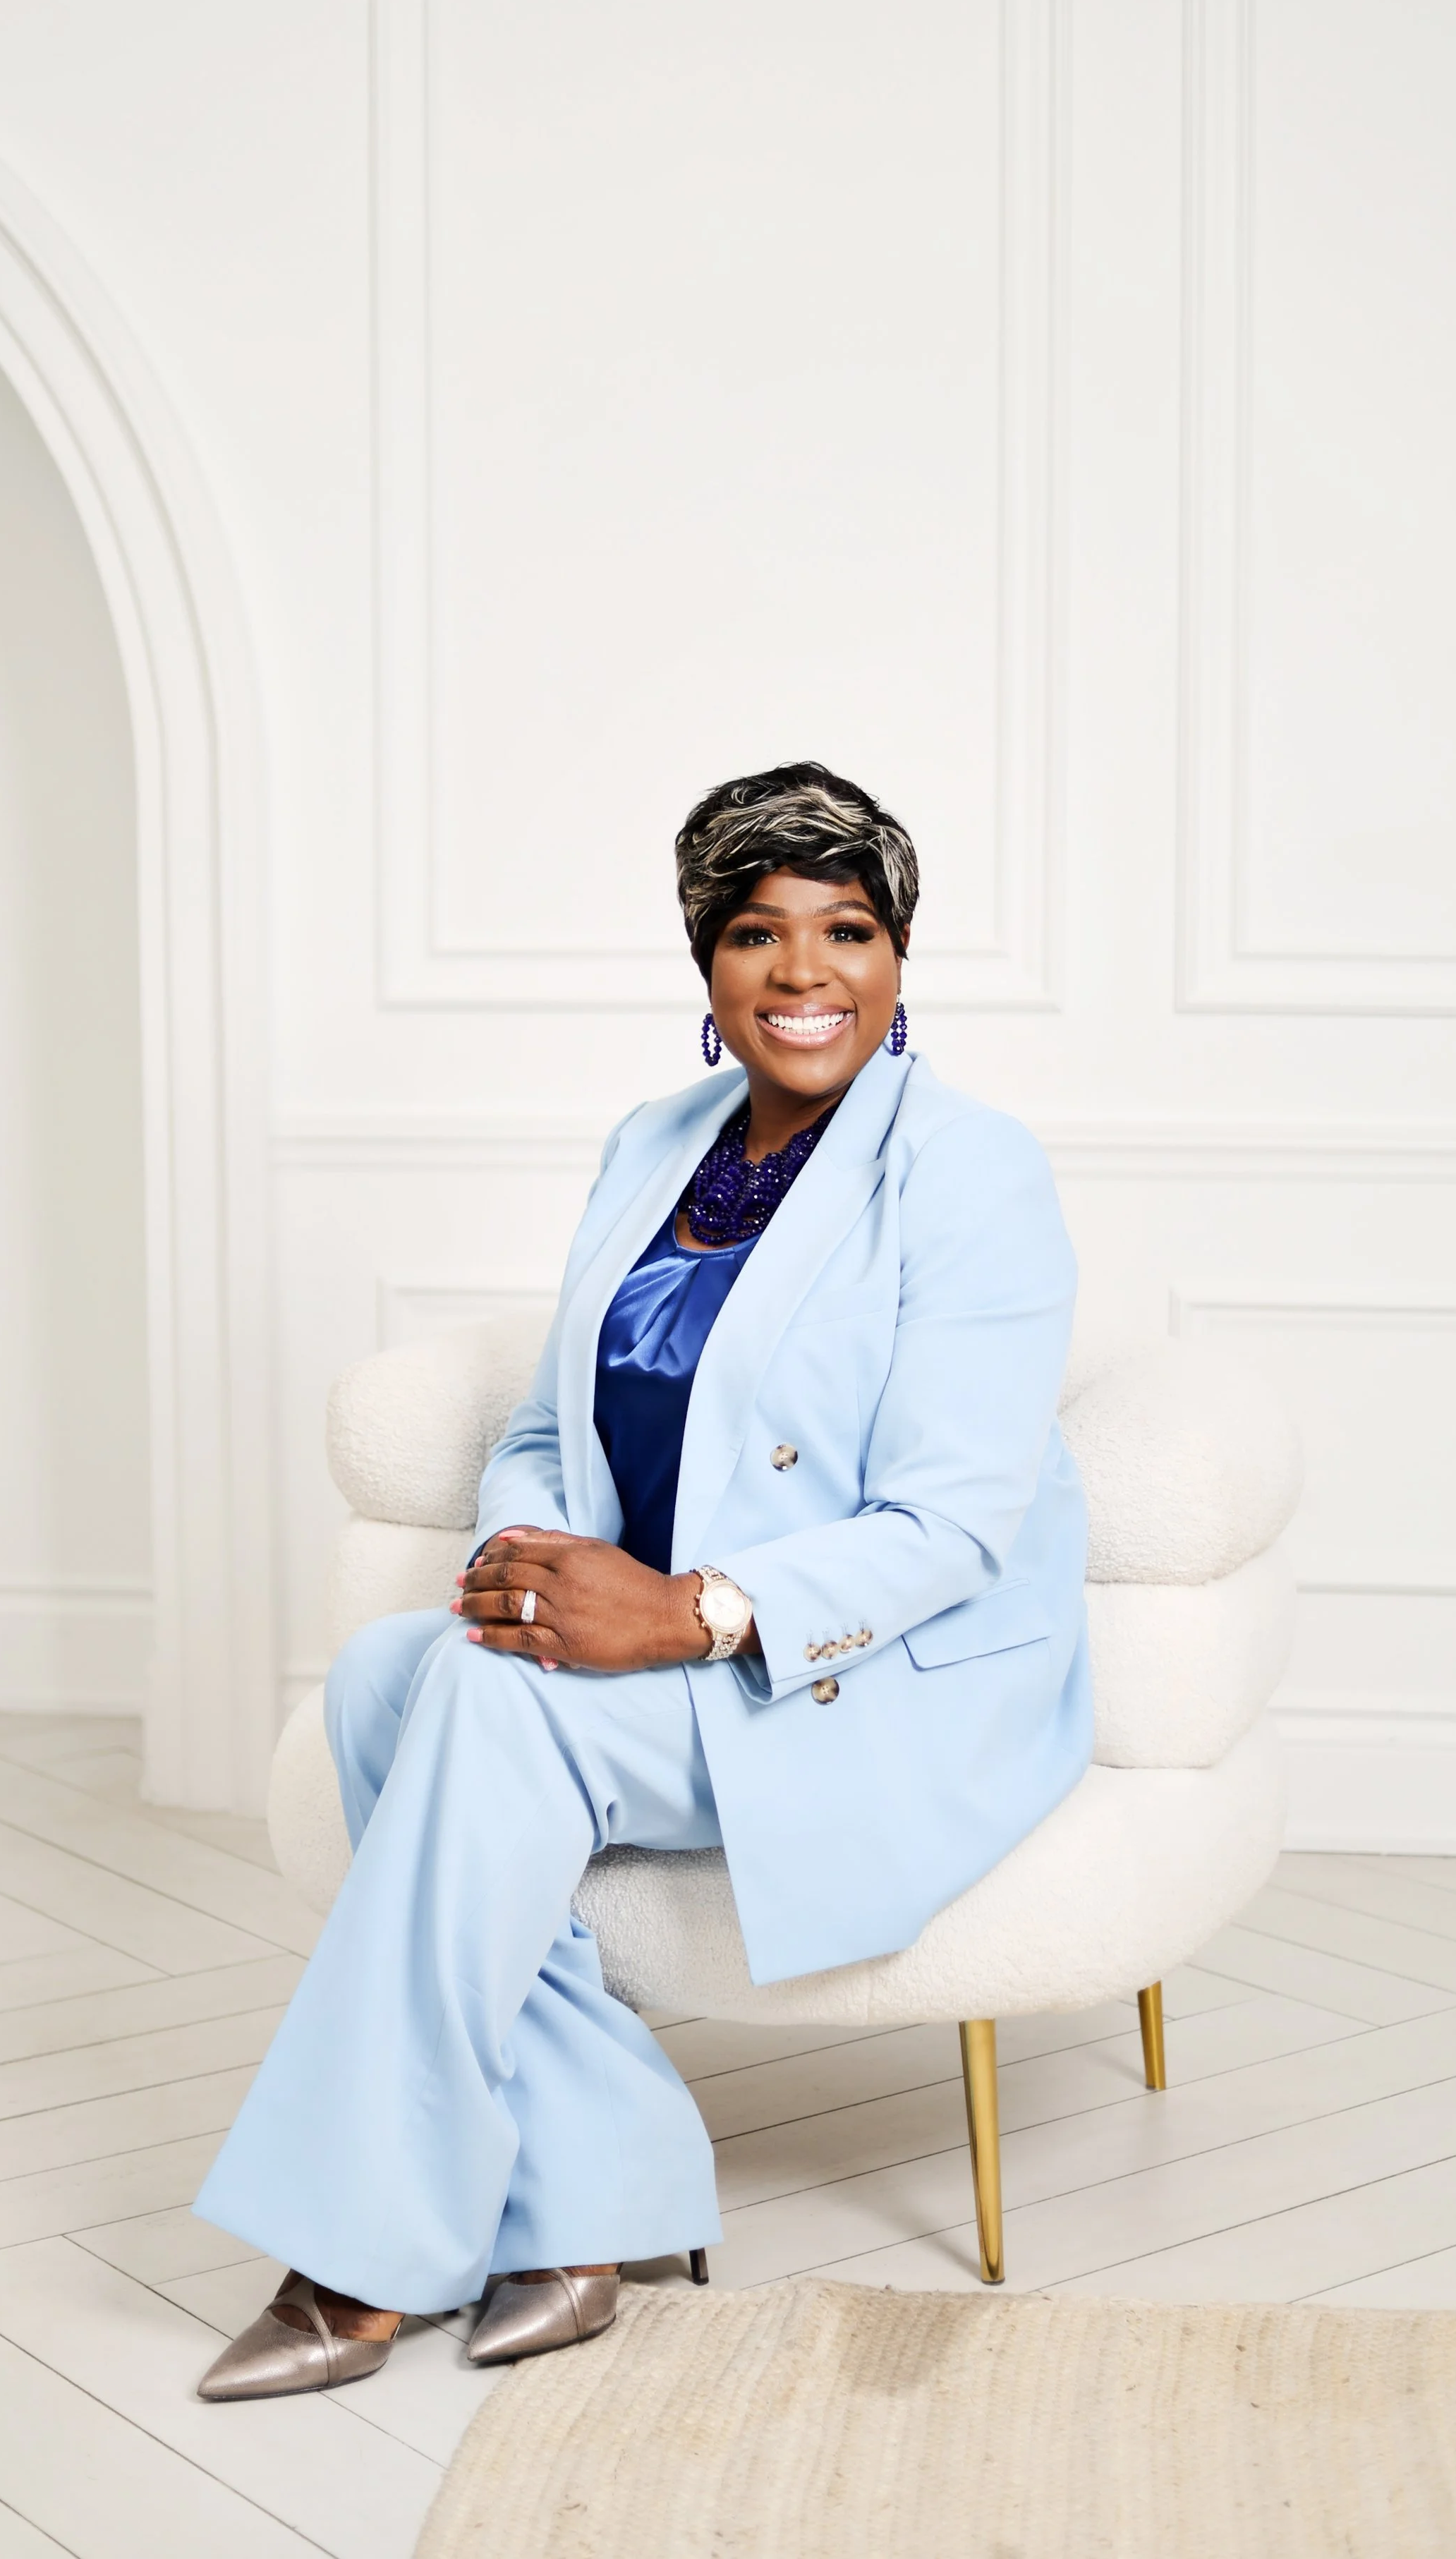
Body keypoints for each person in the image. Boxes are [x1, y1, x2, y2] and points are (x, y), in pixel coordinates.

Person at [193, 761, 1090, 2397]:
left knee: (457, 1700)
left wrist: (684, 1614)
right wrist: (527, 1562)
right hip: (656, 1643)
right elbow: (551, 1417)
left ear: (899, 957)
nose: (802, 972)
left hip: (866, 1677)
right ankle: (589, 2196)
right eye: (756, 931)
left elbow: (954, 1527)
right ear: (704, 966)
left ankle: (357, 2260)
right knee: (403, 1674)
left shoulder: (968, 1173)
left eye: (847, 928)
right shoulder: (654, 1142)